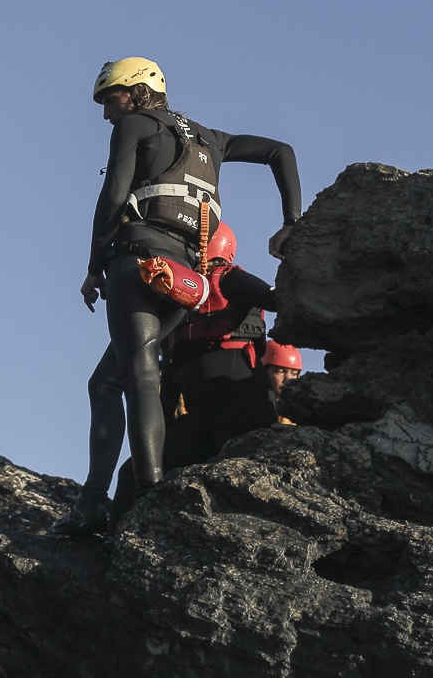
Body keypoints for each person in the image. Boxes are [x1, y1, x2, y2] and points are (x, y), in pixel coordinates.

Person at [54, 57, 301, 536]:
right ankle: (93, 499)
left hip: (141, 260)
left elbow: (111, 198)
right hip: (189, 276)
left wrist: (92, 267)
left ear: (141, 92)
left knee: (140, 373)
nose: (108, 112)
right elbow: (281, 151)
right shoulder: (212, 138)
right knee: (107, 381)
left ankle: (144, 493)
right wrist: (292, 221)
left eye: (113, 98)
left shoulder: (135, 125)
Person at [158, 222, 280, 471]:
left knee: (153, 467)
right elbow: (274, 297)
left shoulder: (220, 281)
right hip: (222, 400)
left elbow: (273, 298)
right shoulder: (186, 292)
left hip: (225, 397)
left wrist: (160, 431)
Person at [261, 339, 304, 423]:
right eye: (281, 371)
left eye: (294, 373)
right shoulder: (248, 405)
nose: (287, 379)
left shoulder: (299, 413)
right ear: (264, 371)